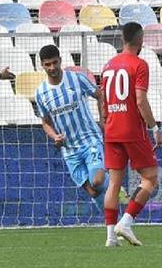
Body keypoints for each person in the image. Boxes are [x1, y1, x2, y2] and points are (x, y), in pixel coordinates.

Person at [101, 22, 162, 247]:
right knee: (150, 177)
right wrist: (154, 127)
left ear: (122, 39)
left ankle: (110, 237)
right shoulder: (140, 64)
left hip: (111, 129)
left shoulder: (109, 65)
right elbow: (140, 100)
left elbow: (104, 100)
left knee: (114, 184)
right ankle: (126, 221)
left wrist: (106, 122)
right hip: (131, 129)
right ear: (140, 39)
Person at [35, 45, 108, 213]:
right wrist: (54, 137)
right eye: (47, 64)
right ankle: (112, 223)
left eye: (55, 63)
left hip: (90, 139)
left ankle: (113, 183)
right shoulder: (41, 93)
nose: (52, 68)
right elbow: (45, 122)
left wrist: (103, 121)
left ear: (60, 60)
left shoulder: (77, 79)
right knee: (92, 191)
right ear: (42, 65)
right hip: (69, 150)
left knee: (97, 181)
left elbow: (99, 95)